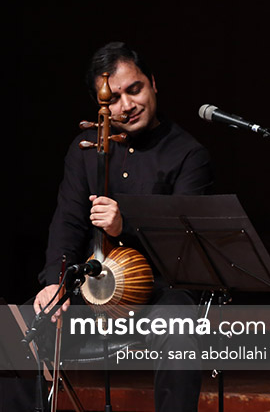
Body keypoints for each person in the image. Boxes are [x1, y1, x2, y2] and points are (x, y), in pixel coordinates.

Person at [30, 42, 213, 411]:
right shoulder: (84, 149)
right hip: (93, 292)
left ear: (153, 83)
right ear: (100, 104)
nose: (127, 105)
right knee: (17, 329)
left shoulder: (188, 154)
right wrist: (54, 283)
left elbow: (183, 246)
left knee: (179, 330)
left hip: (158, 294)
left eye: (135, 89)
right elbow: (67, 223)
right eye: (113, 98)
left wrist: (124, 227)